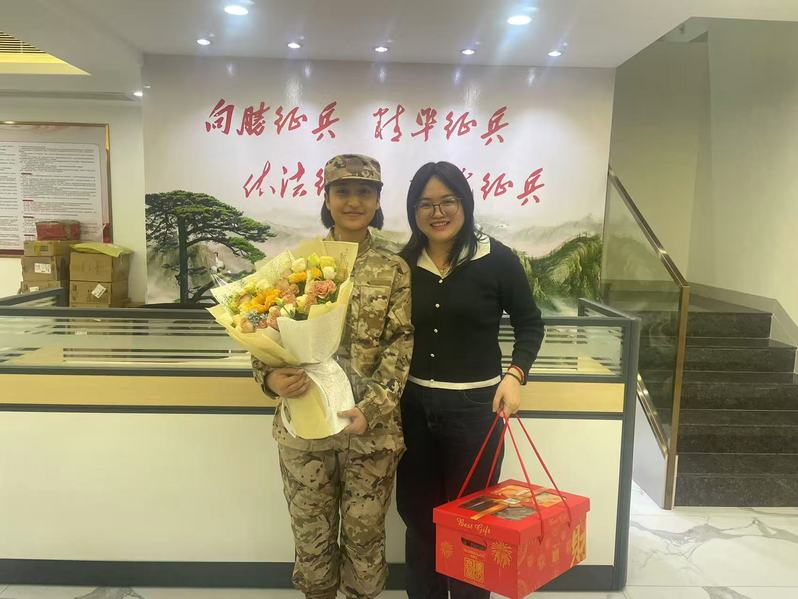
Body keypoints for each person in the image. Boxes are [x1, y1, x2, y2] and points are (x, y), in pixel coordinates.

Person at [251, 154, 414, 599]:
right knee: (312, 541)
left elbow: (400, 345)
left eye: (365, 192)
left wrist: (372, 409)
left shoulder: (394, 269)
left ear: (377, 201)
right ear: (327, 198)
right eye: (343, 191)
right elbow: (262, 332)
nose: (353, 201)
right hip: (306, 428)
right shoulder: (297, 265)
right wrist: (271, 379)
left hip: (370, 434)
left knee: (365, 542)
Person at [396, 161, 545, 599]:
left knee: (473, 523)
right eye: (425, 204)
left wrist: (515, 375)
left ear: (465, 203)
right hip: (413, 409)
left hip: (476, 412)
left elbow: (530, 324)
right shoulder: (403, 264)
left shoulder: (496, 259)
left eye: (448, 201)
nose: (437, 212)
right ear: (413, 210)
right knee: (419, 517)